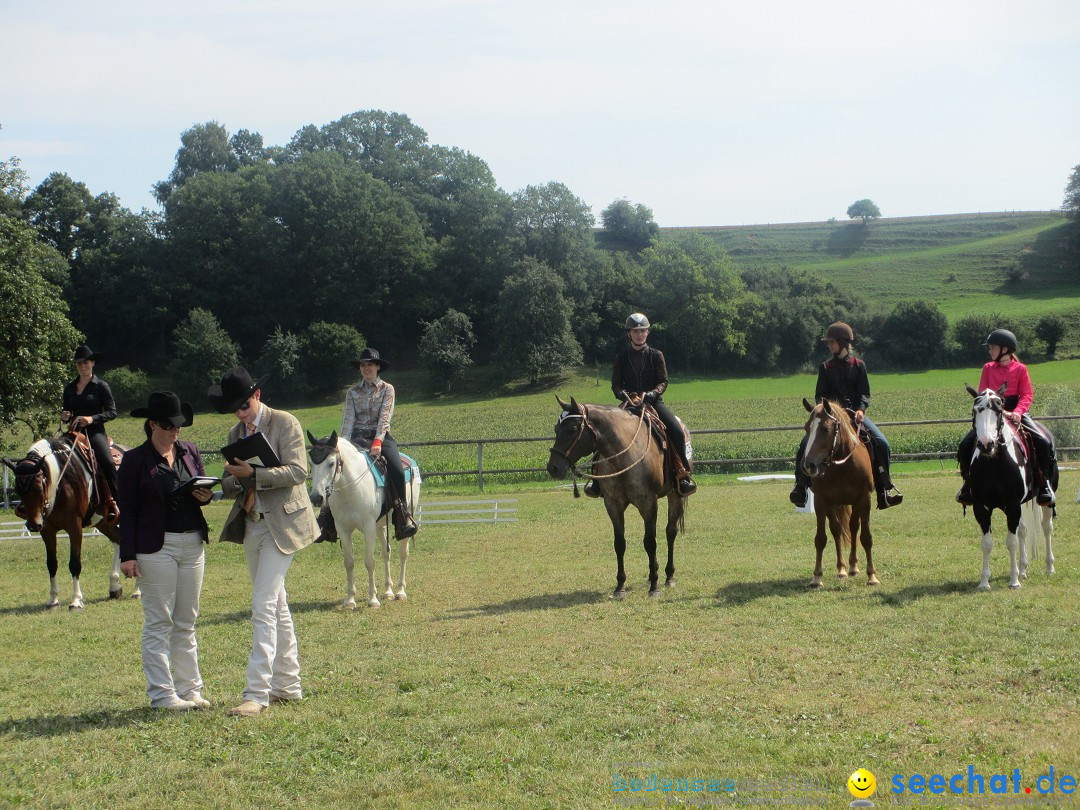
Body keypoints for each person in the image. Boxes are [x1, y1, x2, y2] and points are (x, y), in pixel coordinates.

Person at [209, 367, 318, 718]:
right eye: (234, 409)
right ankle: (289, 686)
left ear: (256, 395)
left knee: (262, 605)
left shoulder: (285, 423)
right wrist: (218, 486)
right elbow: (231, 481)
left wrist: (254, 474)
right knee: (277, 606)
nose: (240, 413)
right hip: (252, 523)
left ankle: (257, 693)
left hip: (283, 525)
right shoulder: (235, 432)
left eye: (243, 404)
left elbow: (298, 471)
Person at [118, 392, 214, 711]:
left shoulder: (190, 452)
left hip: (192, 544)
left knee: (187, 619)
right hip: (155, 548)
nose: (175, 431)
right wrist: (127, 555)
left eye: (178, 426)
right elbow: (127, 510)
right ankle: (162, 694)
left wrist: (204, 497)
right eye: (169, 426)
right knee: (160, 621)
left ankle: (190, 690)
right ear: (152, 425)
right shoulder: (134, 461)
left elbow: (203, 491)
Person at [789, 322, 903, 511]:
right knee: (804, 445)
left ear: (842, 342)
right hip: (831, 418)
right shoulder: (825, 368)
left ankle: (884, 491)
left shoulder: (859, 365)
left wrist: (861, 409)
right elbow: (820, 395)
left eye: (831, 342)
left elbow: (865, 394)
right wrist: (827, 410)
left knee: (882, 443)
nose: (829, 345)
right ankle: (800, 487)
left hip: (854, 416)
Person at [584, 313, 697, 498]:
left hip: (653, 402)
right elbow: (616, 385)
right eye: (635, 331)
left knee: (676, 430)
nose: (639, 335)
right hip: (628, 404)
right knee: (603, 433)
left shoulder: (656, 355)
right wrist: (623, 394)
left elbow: (663, 381)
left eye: (643, 331)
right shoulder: (621, 357)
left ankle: (682, 475)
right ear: (629, 333)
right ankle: (597, 480)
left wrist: (652, 393)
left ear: (647, 333)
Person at [315, 347, 418, 543]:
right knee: (335, 469)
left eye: (370, 364)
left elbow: (384, 418)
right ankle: (326, 520)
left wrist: (378, 441)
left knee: (396, 467)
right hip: (356, 438)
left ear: (378, 367)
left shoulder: (388, 389)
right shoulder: (352, 392)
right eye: (363, 365)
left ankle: (401, 515)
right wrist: (341, 445)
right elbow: (348, 420)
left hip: (381, 438)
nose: (366, 368)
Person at [956, 328, 1056, 507]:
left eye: (992, 347)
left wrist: (1017, 412)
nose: (989, 351)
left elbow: (1027, 395)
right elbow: (983, 394)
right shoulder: (988, 368)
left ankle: (1044, 484)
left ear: (1005, 349)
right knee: (964, 445)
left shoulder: (1020, 369)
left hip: (1017, 411)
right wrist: (994, 412)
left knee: (1043, 442)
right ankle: (967, 484)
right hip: (992, 413)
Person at [62, 344, 119, 519]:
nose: (82, 366)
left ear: (92, 363)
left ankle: (117, 501)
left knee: (107, 462)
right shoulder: (69, 388)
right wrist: (65, 416)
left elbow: (112, 412)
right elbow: (67, 410)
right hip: (73, 431)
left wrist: (91, 418)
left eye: (86, 362)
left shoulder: (101, 386)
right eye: (79, 363)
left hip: (95, 432)